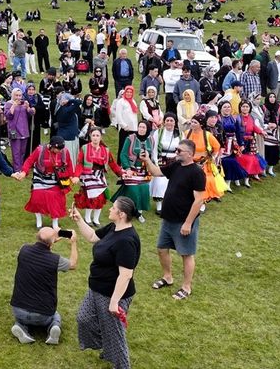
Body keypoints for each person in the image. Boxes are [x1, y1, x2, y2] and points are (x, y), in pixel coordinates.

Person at [71, 197, 141, 369]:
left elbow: (126, 274)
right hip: (96, 287)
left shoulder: (126, 241)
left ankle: (121, 365)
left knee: (114, 335)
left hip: (113, 293)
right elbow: (92, 237)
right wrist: (79, 219)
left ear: (121, 214)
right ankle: (107, 346)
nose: (109, 209)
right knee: (84, 319)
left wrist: (114, 302)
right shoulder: (113, 227)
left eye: (113, 208)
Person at [140, 139, 206, 300]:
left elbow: (199, 201)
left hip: (183, 221)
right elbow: (156, 172)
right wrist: (147, 159)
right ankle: (167, 277)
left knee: (186, 254)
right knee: (162, 249)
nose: (176, 152)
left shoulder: (197, 173)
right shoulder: (176, 165)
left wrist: (188, 223)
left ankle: (186, 287)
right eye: (176, 149)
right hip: (168, 219)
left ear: (189, 154)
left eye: (179, 150)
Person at [9, 227, 78, 345]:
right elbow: (73, 264)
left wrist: (50, 240)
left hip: (18, 309)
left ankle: (20, 326)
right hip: (42, 314)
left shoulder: (23, 250)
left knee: (21, 319)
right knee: (55, 316)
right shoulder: (55, 260)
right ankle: (53, 328)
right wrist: (73, 243)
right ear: (52, 242)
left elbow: (40, 248)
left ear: (37, 236)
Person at [22, 136, 77, 230]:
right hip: (40, 177)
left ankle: (55, 223)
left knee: (56, 198)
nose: (60, 151)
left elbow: (69, 164)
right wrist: (24, 172)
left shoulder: (64, 152)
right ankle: (39, 221)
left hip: (56, 179)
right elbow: (29, 161)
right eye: (58, 149)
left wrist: (72, 176)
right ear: (51, 146)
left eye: (61, 149)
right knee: (37, 198)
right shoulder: (39, 150)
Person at [74, 127, 123, 226]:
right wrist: (76, 176)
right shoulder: (84, 148)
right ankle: (87, 218)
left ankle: (96, 219)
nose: (95, 138)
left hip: (99, 176)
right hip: (87, 176)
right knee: (91, 197)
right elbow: (79, 163)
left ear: (101, 137)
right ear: (90, 136)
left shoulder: (106, 150)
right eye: (93, 135)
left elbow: (112, 164)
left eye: (97, 135)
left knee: (101, 197)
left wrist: (121, 174)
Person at [150, 113, 181, 214]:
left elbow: (183, 148)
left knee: (173, 183)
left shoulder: (180, 134)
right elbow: (154, 149)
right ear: (164, 122)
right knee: (160, 182)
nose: (169, 123)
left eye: (171, 121)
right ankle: (159, 206)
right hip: (161, 160)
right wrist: (156, 162)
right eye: (167, 120)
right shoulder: (158, 133)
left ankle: (171, 204)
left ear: (175, 122)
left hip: (175, 161)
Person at [4, 88, 34, 169]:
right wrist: (14, 105)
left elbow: (31, 114)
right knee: (16, 152)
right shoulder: (8, 104)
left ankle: (21, 167)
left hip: (24, 130)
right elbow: (8, 115)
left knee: (23, 151)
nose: (18, 97)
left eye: (20, 95)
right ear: (12, 95)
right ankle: (17, 169)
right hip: (14, 131)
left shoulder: (24, 103)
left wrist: (28, 107)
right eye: (16, 95)